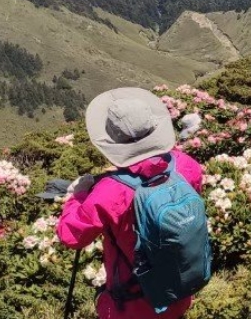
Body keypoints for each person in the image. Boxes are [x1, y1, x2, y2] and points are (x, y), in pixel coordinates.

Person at [57, 88, 207, 319]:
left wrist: (77, 196)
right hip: (179, 288)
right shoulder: (186, 165)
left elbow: (72, 236)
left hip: (133, 304)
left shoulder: (109, 191)